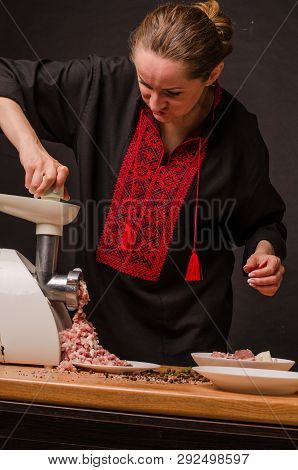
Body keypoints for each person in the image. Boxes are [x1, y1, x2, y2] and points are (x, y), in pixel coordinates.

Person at [0, 1, 286, 365]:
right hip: (93, 336)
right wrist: (32, 151)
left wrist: (265, 254)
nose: (154, 103)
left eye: (173, 93)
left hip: (192, 342)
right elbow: (4, 80)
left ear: (213, 74)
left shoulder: (239, 132)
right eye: (145, 85)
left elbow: (264, 220)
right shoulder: (101, 85)